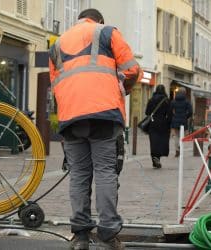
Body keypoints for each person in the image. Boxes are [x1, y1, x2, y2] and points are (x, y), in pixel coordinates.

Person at [48, 8, 142, 250]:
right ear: (99, 20)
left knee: (78, 175)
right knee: (104, 172)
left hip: (70, 116)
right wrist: (124, 88)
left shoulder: (57, 43)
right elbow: (132, 70)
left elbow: (55, 83)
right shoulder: (107, 32)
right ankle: (108, 235)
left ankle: (80, 236)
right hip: (103, 113)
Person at [144, 84, 172, 168]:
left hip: (153, 123)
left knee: (153, 141)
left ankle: (154, 158)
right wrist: (169, 123)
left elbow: (147, 112)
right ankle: (158, 158)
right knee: (161, 141)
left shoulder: (151, 100)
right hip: (163, 123)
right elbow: (170, 114)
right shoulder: (166, 100)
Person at [170, 87, 193, 157]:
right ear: (184, 93)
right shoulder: (186, 101)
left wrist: (174, 116)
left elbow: (170, 110)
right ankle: (180, 146)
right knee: (181, 136)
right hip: (183, 120)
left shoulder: (173, 101)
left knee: (176, 135)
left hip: (175, 120)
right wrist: (186, 116)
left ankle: (177, 150)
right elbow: (190, 112)